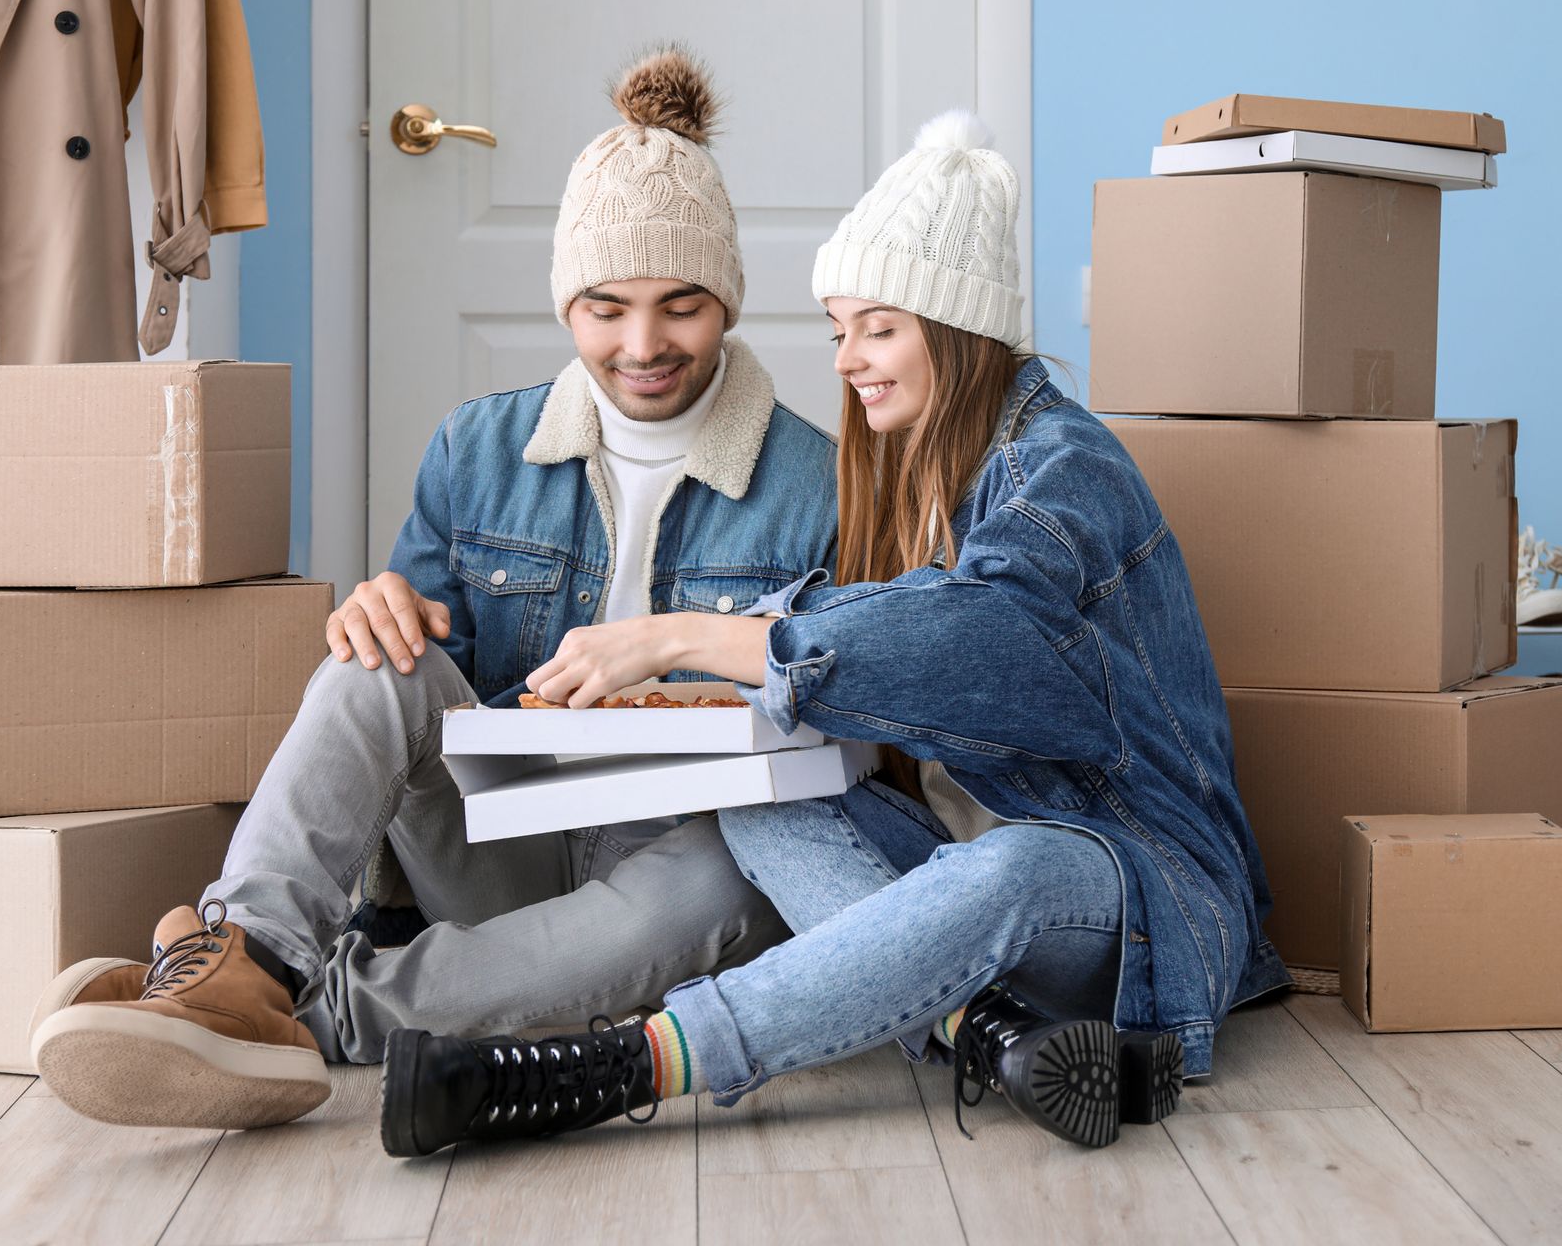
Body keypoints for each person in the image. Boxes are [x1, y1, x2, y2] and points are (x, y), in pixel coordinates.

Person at [378, 111, 1291, 1157]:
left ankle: (618, 1066)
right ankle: (995, 1037)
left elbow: (983, 637)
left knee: (1013, 867)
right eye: (839, 328)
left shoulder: (1064, 469)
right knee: (766, 806)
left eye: (880, 327)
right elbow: (848, 631)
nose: (849, 358)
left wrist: (693, 634)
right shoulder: (921, 474)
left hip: (1145, 896)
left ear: (956, 325)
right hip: (975, 895)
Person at [29, 47, 836, 1132]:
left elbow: (854, 709)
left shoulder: (818, 481)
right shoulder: (478, 447)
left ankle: (280, 1008)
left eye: (681, 306)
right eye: (605, 307)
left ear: (727, 301)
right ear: (566, 303)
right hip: (497, 835)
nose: (642, 345)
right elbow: (408, 670)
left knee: (732, 887)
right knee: (372, 667)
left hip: (669, 864)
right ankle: (249, 949)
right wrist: (377, 610)